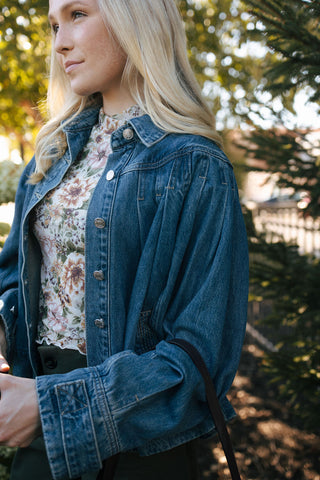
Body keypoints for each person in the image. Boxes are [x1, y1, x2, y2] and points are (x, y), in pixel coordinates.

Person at [0, 0, 249, 479]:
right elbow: (15, 285)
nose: (60, 44)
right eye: (54, 25)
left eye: (78, 15)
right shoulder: (48, 159)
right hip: (43, 439)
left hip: (143, 449)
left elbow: (201, 359)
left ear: (135, 16)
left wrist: (52, 407)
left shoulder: (195, 167)